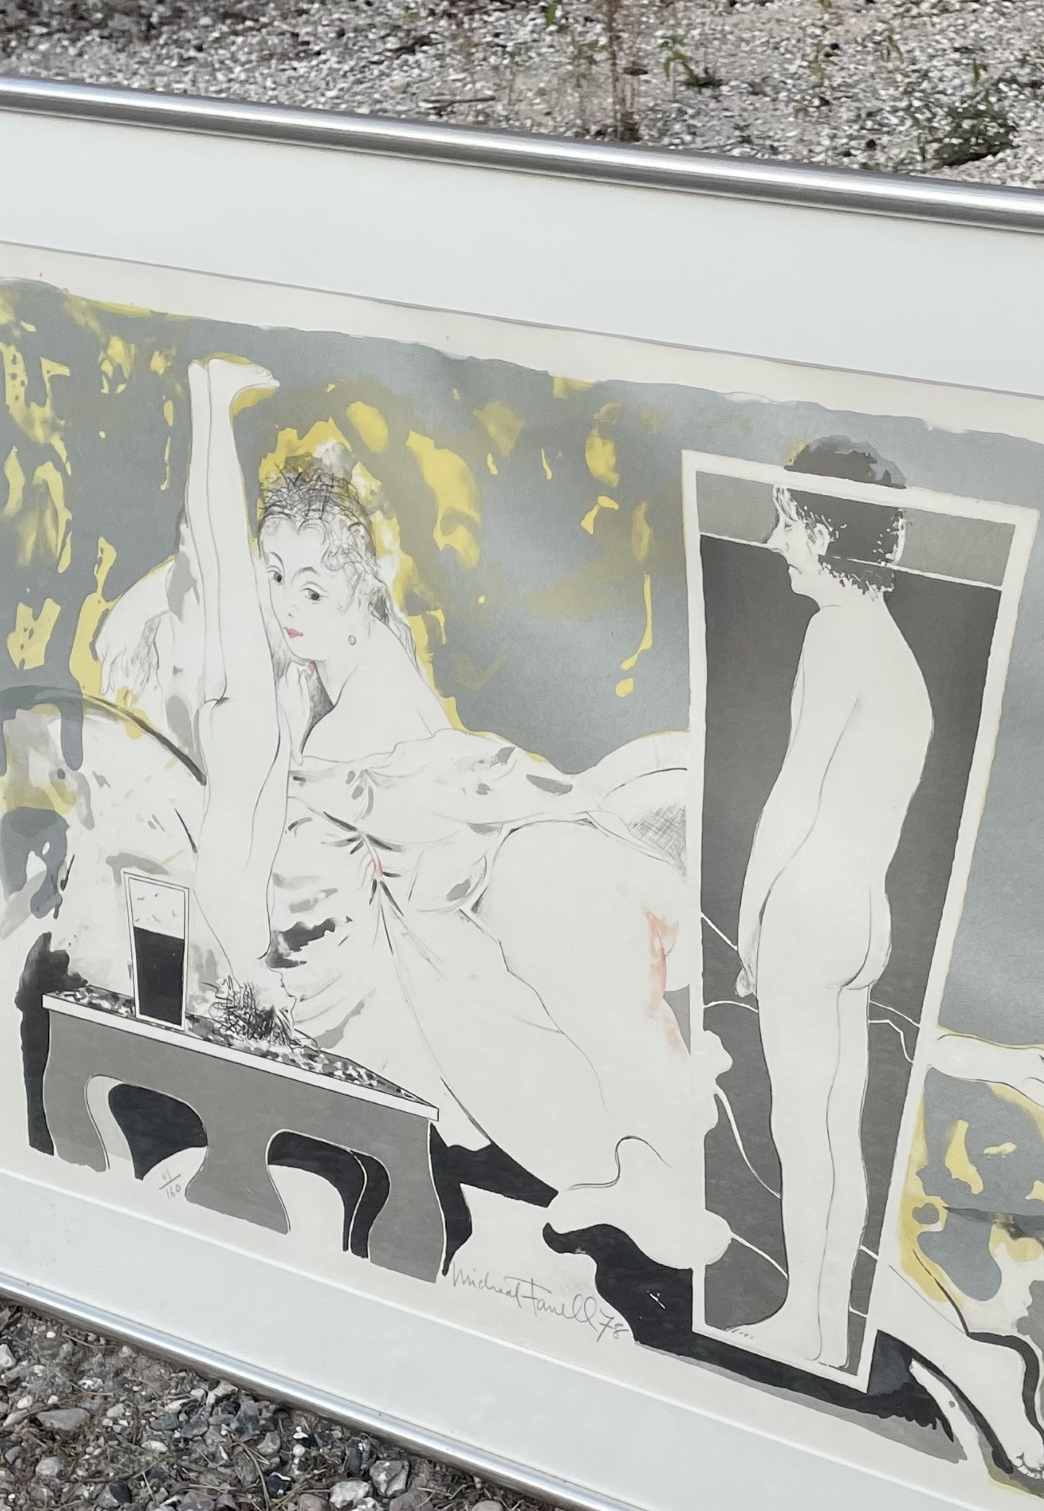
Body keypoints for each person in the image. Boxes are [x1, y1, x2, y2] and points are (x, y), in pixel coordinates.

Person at [84, 356, 730, 1270]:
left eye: (311, 588)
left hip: (350, 957)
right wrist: (210, 408)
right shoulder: (264, 705)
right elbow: (221, 557)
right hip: (328, 976)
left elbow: (225, 557)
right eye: (277, 580)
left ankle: (657, 1137)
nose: (284, 608)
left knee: (535, 937)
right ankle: (654, 1135)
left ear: (357, 592)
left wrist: (212, 407)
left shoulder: (294, 701)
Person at [734, 441, 1044, 1377]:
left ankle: (803, 1324)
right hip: (864, 913)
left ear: (822, 530)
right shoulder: (894, 651)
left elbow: (794, 792)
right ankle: (826, 1330)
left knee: (803, 1133)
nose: (774, 542)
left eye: (786, 523)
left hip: (807, 907)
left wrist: (751, 920)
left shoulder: (834, 635)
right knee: (838, 1134)